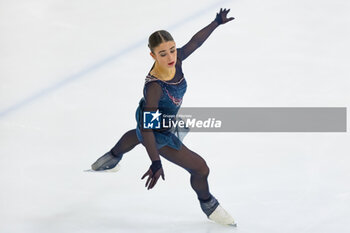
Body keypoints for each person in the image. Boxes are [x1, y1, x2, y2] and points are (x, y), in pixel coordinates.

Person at [91, 8, 236, 226]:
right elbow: (147, 129)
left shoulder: (176, 59)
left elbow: (194, 43)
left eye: (172, 50)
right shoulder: (155, 88)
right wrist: (155, 162)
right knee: (200, 168)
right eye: (163, 53)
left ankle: (111, 157)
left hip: (161, 119)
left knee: (136, 134)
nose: (170, 57)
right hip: (156, 130)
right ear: (153, 56)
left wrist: (215, 22)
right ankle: (209, 204)